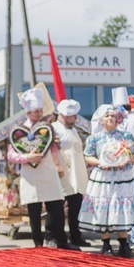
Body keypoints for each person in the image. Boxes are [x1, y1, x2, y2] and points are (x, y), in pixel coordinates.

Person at [6, 88, 79, 250]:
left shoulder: (46, 129)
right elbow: (10, 155)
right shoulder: (19, 132)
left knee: (57, 206)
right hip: (30, 174)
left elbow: (52, 149)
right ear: (28, 112)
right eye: (35, 111)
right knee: (34, 210)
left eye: (40, 111)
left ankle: (59, 240)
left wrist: (58, 163)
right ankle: (37, 243)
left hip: (48, 171)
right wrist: (27, 158)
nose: (39, 114)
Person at [78, 104, 134, 257]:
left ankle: (124, 243)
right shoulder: (94, 138)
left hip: (121, 177)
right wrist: (100, 162)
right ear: (101, 120)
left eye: (112, 116)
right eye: (107, 116)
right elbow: (87, 156)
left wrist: (126, 160)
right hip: (103, 177)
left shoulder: (126, 136)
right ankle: (106, 244)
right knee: (104, 209)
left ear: (117, 119)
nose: (110, 118)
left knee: (120, 207)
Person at [52, 99, 91, 247]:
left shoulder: (73, 129)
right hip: (62, 174)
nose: (74, 119)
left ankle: (75, 235)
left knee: (76, 207)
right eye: (71, 117)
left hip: (76, 173)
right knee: (57, 209)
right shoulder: (54, 128)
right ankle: (57, 237)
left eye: (74, 116)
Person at [112, 87, 134, 250]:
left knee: (133, 202)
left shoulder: (131, 122)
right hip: (129, 164)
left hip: (133, 163)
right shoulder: (127, 121)